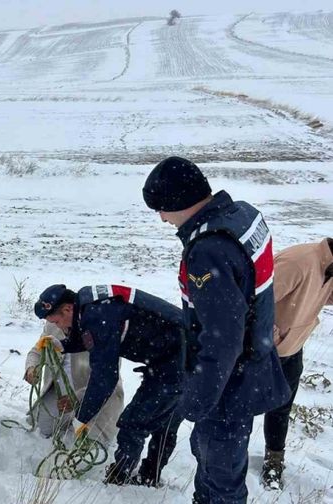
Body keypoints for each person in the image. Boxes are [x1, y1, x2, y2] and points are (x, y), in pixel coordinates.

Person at [143, 156, 291, 504]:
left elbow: (221, 340)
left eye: (162, 209)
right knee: (217, 463)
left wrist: (197, 402)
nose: (162, 218)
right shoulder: (242, 216)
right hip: (249, 367)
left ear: (179, 202)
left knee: (219, 477)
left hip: (228, 386)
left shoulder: (209, 250)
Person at [34, 283, 184, 486]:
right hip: (181, 352)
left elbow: (105, 378)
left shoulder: (96, 315)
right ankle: (149, 477)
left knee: (134, 423)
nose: (59, 327)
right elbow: (93, 337)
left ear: (68, 308)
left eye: (57, 321)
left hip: (179, 360)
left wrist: (81, 418)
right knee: (163, 419)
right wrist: (64, 345)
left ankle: (120, 481)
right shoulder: (88, 302)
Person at [261, 238, 333, 489]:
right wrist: (269, 337)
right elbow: (255, 300)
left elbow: (324, 294)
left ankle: (274, 461)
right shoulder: (299, 261)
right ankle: (229, 462)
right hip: (264, 352)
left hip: (293, 349)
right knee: (243, 408)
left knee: (281, 408)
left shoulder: (328, 267)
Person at [24, 317, 123, 445]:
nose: (55, 323)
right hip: (59, 393)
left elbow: (106, 380)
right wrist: (31, 368)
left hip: (97, 398)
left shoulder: (101, 328)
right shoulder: (53, 323)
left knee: (84, 446)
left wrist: (76, 399)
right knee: (41, 430)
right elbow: (37, 350)